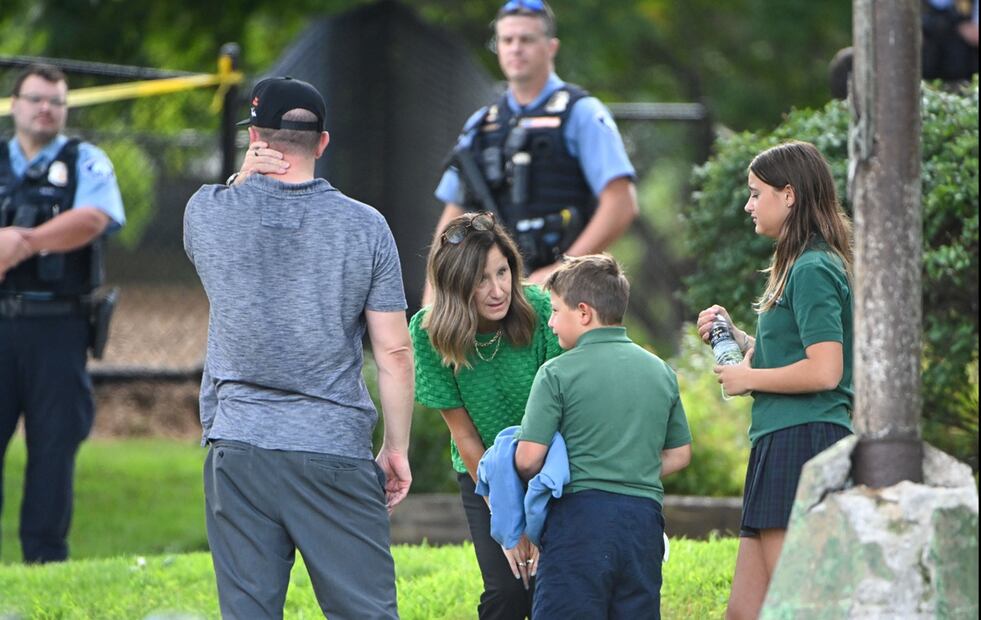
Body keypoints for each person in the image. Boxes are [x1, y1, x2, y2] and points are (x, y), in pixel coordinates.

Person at [183, 76, 414, 618]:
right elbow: (395, 353)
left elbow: (226, 206)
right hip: (333, 447)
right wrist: (395, 447)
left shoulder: (206, 211)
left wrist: (241, 177)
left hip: (238, 445)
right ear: (323, 142)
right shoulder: (367, 228)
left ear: (255, 137)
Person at [695, 141, 854, 620]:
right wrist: (740, 339)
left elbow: (826, 369)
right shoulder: (798, 264)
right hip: (778, 440)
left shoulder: (813, 267)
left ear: (788, 195)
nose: (748, 205)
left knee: (798, 607)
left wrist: (749, 379)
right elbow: (794, 353)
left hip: (803, 441)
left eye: (755, 193)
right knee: (744, 612)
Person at [515, 254, 693, 619]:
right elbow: (679, 454)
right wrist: (629, 467)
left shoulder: (556, 373)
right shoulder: (660, 371)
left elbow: (529, 459)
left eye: (555, 310)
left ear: (583, 313)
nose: (550, 322)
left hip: (580, 522)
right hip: (643, 522)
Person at [0, 64, 125, 563]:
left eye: (56, 101)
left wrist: (23, 242)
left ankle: (45, 563)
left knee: (54, 447)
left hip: (57, 327)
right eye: (36, 99)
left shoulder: (85, 162)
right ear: (14, 104)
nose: (46, 109)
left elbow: (94, 218)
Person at [410, 211, 562, 619]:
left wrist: (536, 506)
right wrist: (509, 514)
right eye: (480, 280)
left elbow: (563, 412)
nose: (497, 290)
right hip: (485, 471)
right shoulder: (428, 333)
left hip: (549, 462)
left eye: (502, 272)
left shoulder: (542, 308)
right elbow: (463, 435)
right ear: (456, 285)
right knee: (509, 592)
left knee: (550, 587)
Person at [428, 0, 638, 295]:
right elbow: (452, 219)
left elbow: (621, 203)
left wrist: (560, 270)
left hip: (569, 296)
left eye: (526, 39)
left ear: (551, 47)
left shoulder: (581, 113)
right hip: (496, 294)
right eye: (507, 40)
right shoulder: (480, 125)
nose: (515, 48)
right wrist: (432, 304)